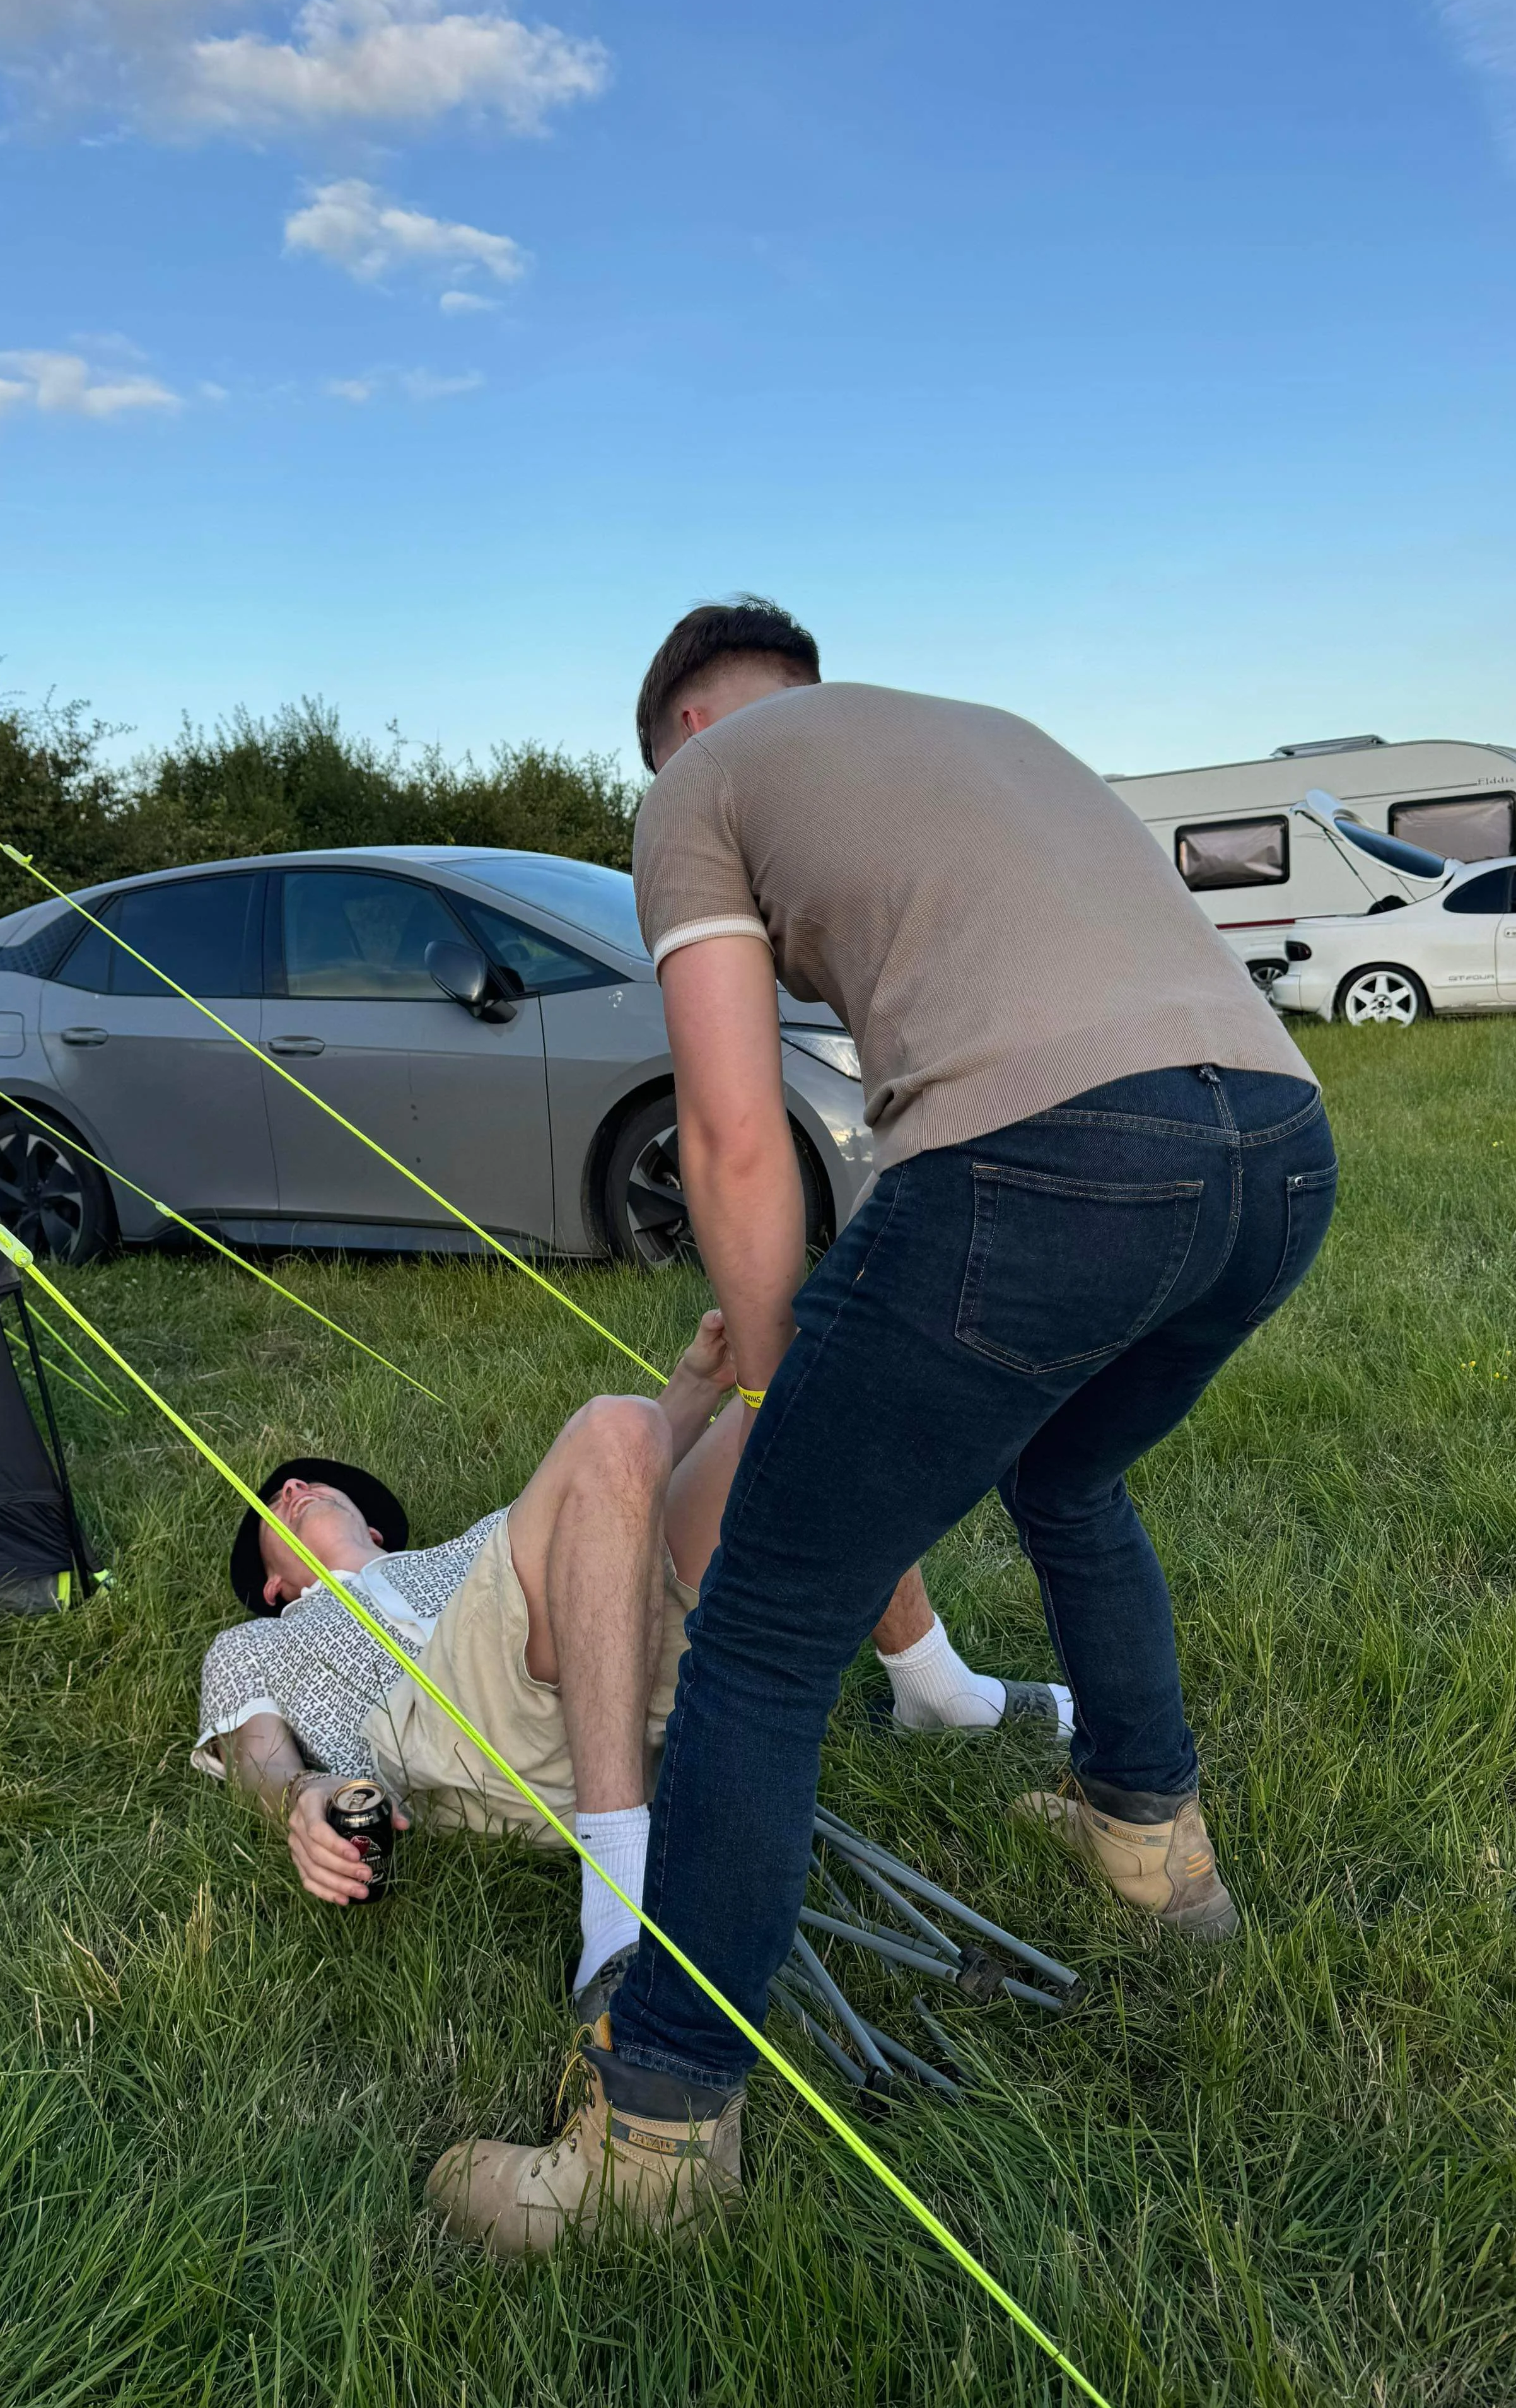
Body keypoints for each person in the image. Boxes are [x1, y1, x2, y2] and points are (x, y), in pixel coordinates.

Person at [433, 597, 1338, 2256]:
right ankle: (1154, 1848)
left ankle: (656, 2136)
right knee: (1070, 1467)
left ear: (689, 728)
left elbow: (729, 1130)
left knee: (771, 1625)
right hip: (1279, 1155)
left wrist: (786, 1399)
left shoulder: (698, 791)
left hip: (1055, 1167)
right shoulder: (983, 735)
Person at [193, 1309, 976, 2025]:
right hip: (453, 1751)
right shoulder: (255, 1643)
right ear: (272, 1584)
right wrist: (304, 1792)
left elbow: (620, 1486)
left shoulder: (463, 1553)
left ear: (375, 1525)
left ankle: (931, 1684)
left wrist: (700, 1380)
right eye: (276, 1501)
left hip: (621, 1673)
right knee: (613, 1425)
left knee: (790, 1381)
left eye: (309, 1482)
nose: (292, 1487)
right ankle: (615, 1901)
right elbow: (257, 1752)